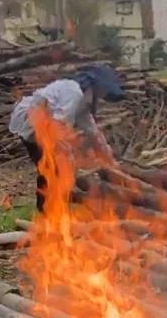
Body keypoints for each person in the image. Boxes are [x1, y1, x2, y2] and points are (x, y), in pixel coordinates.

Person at [8, 65, 125, 212]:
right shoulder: (74, 92)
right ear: (95, 85)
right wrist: (68, 155)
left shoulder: (82, 102)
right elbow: (58, 125)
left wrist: (111, 162)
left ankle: (53, 208)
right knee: (52, 167)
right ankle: (48, 211)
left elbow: (94, 135)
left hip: (45, 126)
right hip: (33, 122)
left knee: (56, 167)